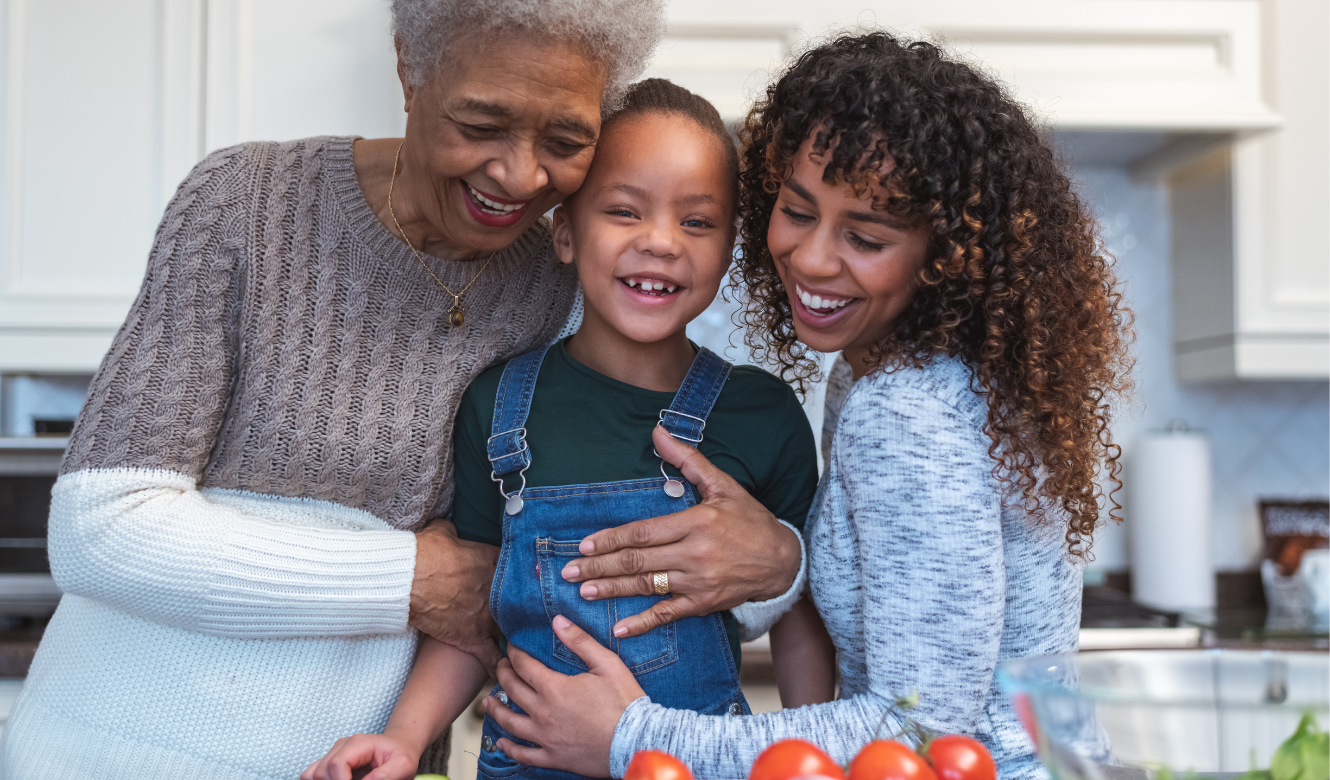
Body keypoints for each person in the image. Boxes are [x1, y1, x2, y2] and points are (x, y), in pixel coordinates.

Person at [0, 4, 813, 778]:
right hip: (113, 752)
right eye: (481, 123)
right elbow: (98, 532)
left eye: (563, 138)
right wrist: (414, 580)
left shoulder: (557, 278)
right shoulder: (244, 205)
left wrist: (781, 560)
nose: (518, 172)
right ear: (408, 70)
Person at [477, 31, 1133, 780]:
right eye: (797, 210)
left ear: (942, 252)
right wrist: (785, 558)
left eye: (864, 236)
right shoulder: (897, 373)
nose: (814, 258)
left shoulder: (905, 411)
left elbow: (917, 726)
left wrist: (632, 738)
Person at [302, 78, 836, 780]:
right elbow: (474, 618)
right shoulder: (498, 405)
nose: (661, 242)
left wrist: (816, 757)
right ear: (564, 232)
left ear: (731, 245)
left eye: (698, 222)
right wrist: (404, 737)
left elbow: (801, 616)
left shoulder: (761, 414)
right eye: (623, 211)